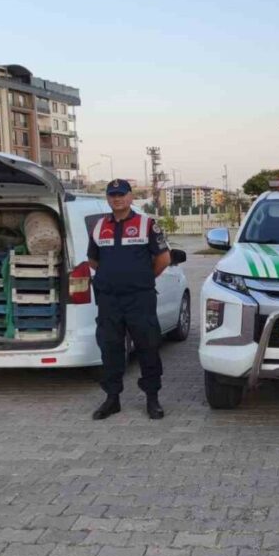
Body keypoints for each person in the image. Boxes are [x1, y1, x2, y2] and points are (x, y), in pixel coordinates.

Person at [86, 179, 170, 420]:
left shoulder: (147, 224)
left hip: (139, 298)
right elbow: (93, 260)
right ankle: (112, 399)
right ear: (107, 199)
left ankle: (152, 398)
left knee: (148, 347)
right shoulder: (99, 226)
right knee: (110, 348)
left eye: (122, 194)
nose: (117, 199)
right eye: (112, 195)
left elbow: (163, 259)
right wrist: (114, 277)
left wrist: (141, 278)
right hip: (109, 300)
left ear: (130, 197)